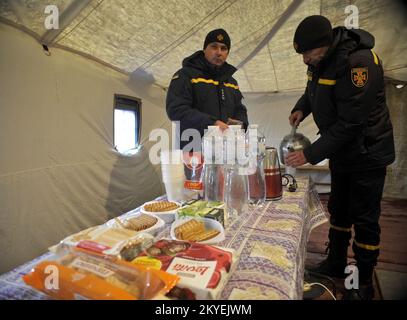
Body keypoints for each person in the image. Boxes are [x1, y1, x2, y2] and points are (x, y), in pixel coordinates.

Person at [285, 15, 395, 300]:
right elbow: (314, 89)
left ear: (323, 45)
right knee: (339, 209)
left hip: (367, 153)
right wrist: (302, 107)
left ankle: (363, 280)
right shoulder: (321, 59)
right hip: (344, 153)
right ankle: (335, 262)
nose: (305, 60)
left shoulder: (359, 62)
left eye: (307, 53)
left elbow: (352, 123)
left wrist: (309, 154)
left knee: (364, 218)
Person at [166, 28, 248, 151]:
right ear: (205, 49)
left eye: (223, 48)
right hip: (194, 152)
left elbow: (240, 109)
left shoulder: (232, 82)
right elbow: (176, 109)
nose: (219, 52)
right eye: (214, 47)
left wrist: (241, 124)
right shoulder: (186, 75)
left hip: (227, 152)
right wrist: (212, 124)